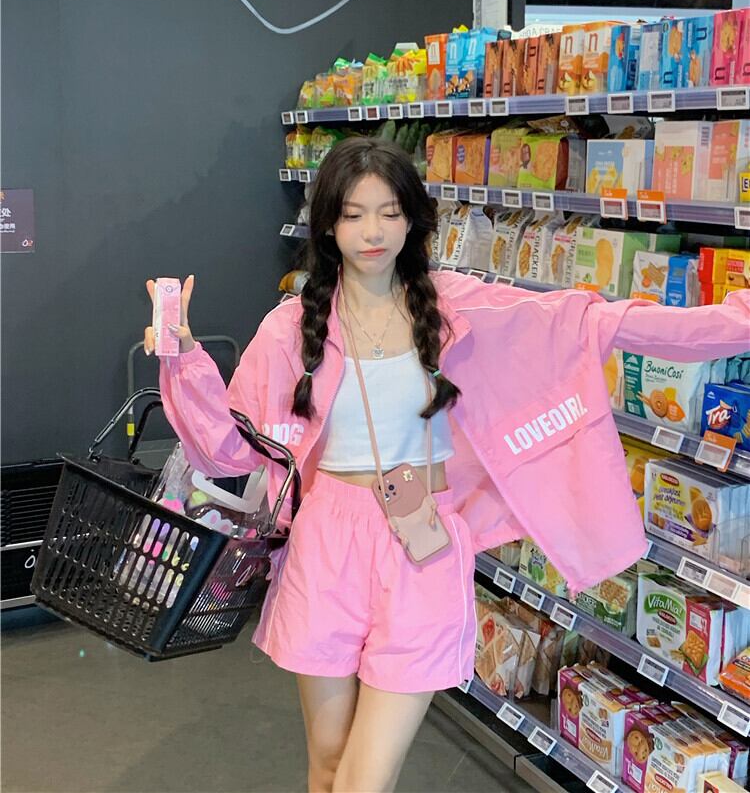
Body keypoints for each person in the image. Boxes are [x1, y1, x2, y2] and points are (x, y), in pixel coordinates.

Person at [144, 137, 750, 793]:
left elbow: (600, 322)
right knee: (327, 769)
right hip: (325, 545)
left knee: (363, 782)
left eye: (389, 212)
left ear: (412, 218)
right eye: (353, 214)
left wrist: (737, 321)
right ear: (327, 225)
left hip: (423, 547)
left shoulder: (460, 306)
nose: (373, 232)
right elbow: (229, 451)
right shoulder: (289, 328)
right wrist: (183, 361)